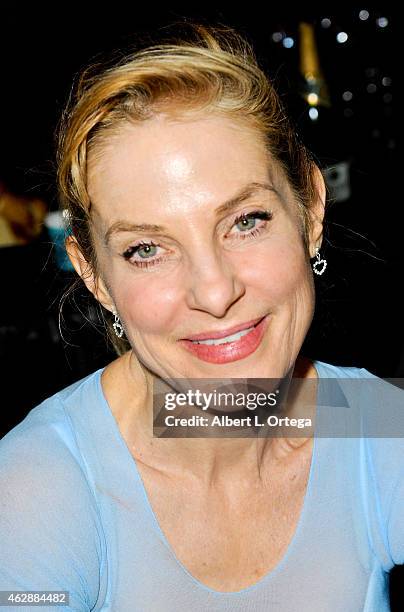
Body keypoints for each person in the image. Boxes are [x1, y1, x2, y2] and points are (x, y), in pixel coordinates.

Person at [0, 23, 403, 611]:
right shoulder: (40, 490)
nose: (214, 293)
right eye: (147, 249)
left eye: (246, 221)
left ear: (310, 209)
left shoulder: (363, 421)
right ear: (94, 275)